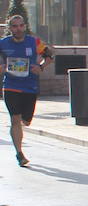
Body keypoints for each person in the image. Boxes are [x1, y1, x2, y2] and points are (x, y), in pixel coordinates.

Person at [0, 14, 49, 167]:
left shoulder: (34, 42)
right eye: (15, 26)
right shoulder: (3, 43)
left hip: (30, 86)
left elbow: (49, 55)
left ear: (25, 26)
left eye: (21, 26)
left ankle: (20, 128)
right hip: (11, 86)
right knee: (15, 119)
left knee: (25, 121)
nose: (18, 29)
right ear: (10, 28)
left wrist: (40, 66)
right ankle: (19, 153)